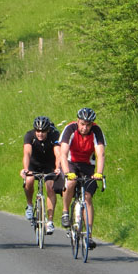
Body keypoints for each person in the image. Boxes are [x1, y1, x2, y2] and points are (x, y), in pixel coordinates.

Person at [59, 107, 106, 249]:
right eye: (82, 124)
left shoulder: (96, 131)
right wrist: (67, 172)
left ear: (92, 124)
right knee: (71, 182)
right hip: (71, 163)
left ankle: (89, 235)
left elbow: (100, 154)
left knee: (87, 198)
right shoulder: (69, 129)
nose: (85, 128)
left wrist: (99, 172)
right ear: (77, 121)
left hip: (87, 165)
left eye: (88, 125)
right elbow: (63, 154)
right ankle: (65, 212)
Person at [20, 116, 64, 235]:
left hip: (49, 165)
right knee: (28, 181)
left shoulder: (54, 135)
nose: (40, 134)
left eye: (43, 131)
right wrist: (26, 168)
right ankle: (29, 206)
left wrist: (58, 167)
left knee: (50, 187)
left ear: (48, 130)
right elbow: (27, 153)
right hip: (33, 164)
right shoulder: (29, 135)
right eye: (38, 131)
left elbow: (58, 153)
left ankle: (49, 221)